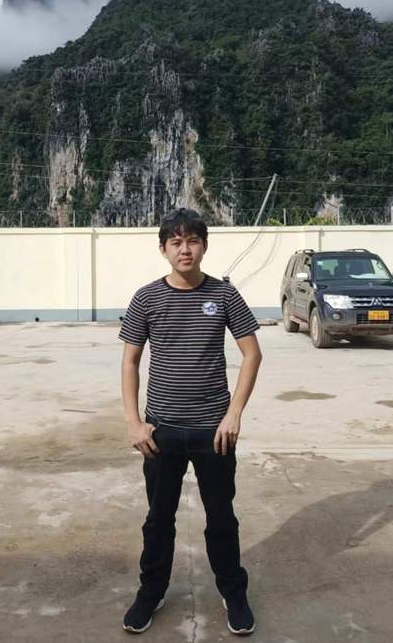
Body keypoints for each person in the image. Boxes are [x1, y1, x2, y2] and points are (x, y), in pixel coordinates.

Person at [119, 208, 262, 636]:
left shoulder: (224, 295)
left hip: (213, 432)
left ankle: (233, 592)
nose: (185, 249)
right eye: (176, 242)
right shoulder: (146, 298)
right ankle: (151, 591)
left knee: (221, 518)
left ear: (204, 246)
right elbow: (130, 361)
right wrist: (134, 423)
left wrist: (233, 414)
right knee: (158, 518)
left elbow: (252, 354)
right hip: (160, 432)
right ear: (163, 249)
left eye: (193, 241)